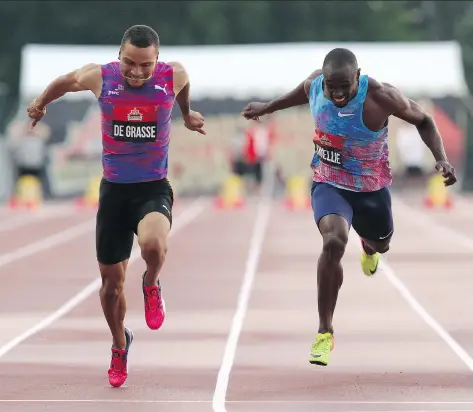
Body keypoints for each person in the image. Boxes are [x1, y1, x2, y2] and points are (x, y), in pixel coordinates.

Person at [241, 48, 457, 367]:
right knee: (333, 242)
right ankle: (324, 332)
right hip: (329, 182)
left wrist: (441, 158)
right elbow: (298, 95)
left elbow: (423, 119)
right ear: (324, 79)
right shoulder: (315, 85)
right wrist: (268, 107)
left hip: (371, 190)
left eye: (345, 86)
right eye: (332, 86)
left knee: (382, 243)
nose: (338, 93)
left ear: (358, 76)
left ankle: (369, 248)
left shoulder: (381, 96)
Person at [26, 25, 205, 387]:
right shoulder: (100, 77)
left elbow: (182, 89)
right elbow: (65, 80)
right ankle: (120, 344)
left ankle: (151, 283)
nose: (137, 73)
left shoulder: (175, 74)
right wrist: (41, 103)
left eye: (145, 65)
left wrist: (186, 114)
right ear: (118, 55)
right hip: (114, 193)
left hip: (153, 187)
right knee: (110, 287)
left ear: (158, 59)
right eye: (129, 64)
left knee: (154, 246)